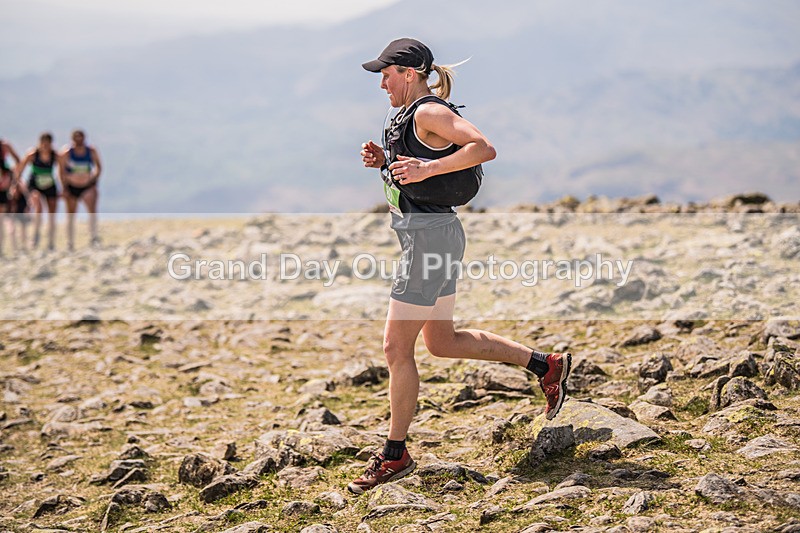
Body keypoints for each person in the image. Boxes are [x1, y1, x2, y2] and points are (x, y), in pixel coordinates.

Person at [349, 38, 573, 495]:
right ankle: (545, 366)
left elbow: (484, 148)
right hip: (435, 236)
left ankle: (395, 455)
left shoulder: (429, 112)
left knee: (396, 347)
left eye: (386, 75)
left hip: (430, 241)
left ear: (409, 72)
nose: (382, 84)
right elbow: (413, 170)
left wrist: (427, 172)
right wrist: (384, 163)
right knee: (443, 341)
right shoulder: (406, 116)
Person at [16, 133, 60, 251]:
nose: (45, 146)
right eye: (43, 143)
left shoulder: (55, 155)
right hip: (34, 185)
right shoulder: (32, 155)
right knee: (38, 206)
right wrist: (18, 185)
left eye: (47, 143)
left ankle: (51, 242)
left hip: (50, 185)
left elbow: (61, 172)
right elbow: (20, 170)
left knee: (52, 213)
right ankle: (36, 236)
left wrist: (63, 186)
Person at [60, 129, 101, 249]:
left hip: (87, 186)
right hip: (71, 186)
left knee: (92, 211)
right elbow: (61, 171)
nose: (79, 141)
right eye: (76, 138)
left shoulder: (91, 151)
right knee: (71, 215)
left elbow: (99, 167)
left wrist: (93, 180)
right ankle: (70, 242)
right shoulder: (66, 152)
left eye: (81, 138)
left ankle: (93, 237)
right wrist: (64, 187)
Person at [0, 138, 21, 256]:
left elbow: (18, 161)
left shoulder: (4, 145)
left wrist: (13, 179)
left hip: (3, 190)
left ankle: (2, 249)